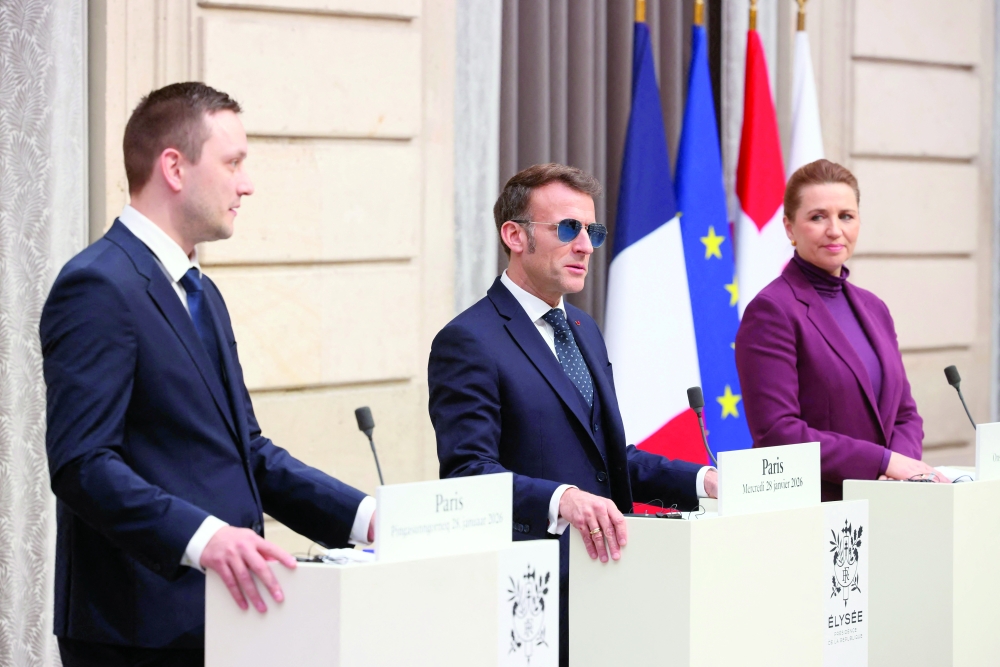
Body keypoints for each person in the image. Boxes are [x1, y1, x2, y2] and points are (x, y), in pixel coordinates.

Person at [40, 82, 376, 666]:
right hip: (136, 634)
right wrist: (206, 540)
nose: (246, 184)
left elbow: (248, 453)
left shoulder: (203, 293)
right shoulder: (97, 285)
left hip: (224, 623)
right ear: (174, 166)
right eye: (233, 162)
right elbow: (82, 464)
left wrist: (367, 519)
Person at [428, 163, 718, 665]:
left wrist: (703, 480)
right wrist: (562, 499)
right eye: (567, 229)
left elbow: (607, 459)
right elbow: (467, 474)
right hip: (531, 595)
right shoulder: (468, 341)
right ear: (515, 235)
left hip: (610, 582)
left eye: (592, 231)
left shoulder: (582, 328)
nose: (585, 245)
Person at [735, 159, 946, 502]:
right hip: (813, 509)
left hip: (889, 500)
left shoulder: (874, 308)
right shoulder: (772, 310)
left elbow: (905, 413)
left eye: (846, 216)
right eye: (818, 217)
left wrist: (901, 471)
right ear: (789, 228)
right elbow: (777, 432)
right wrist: (883, 462)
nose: (834, 230)